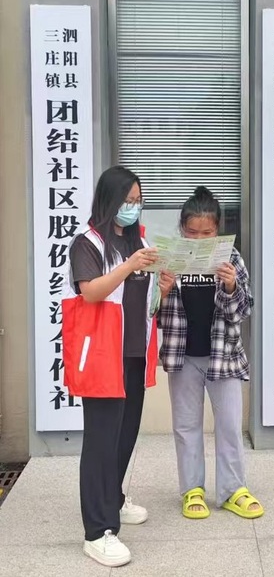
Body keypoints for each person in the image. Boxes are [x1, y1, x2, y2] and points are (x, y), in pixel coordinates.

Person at [62, 166, 162, 568]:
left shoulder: (140, 241)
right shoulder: (87, 244)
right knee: (101, 442)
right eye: (127, 200)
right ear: (109, 200)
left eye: (138, 200)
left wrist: (162, 285)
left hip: (134, 351)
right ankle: (97, 531)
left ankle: (114, 499)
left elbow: (142, 297)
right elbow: (91, 292)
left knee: (125, 435)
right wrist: (128, 265)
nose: (133, 207)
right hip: (103, 354)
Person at [159, 186, 263, 521]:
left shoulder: (231, 258)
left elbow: (243, 312)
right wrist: (161, 293)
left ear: (218, 229)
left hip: (224, 356)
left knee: (230, 424)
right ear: (182, 228)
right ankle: (192, 489)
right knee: (186, 426)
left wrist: (231, 286)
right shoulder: (169, 258)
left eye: (207, 233)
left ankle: (233, 490)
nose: (200, 239)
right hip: (182, 356)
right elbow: (151, 315)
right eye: (192, 232)